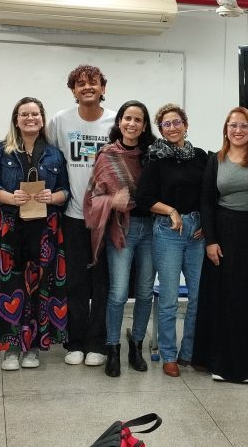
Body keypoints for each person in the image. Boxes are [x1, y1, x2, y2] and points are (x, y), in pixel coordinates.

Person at [0, 97, 70, 371]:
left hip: (44, 231)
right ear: (16, 120)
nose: (30, 118)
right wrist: (7, 196)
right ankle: (11, 348)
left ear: (42, 119)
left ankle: (33, 348)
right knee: (10, 288)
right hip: (7, 229)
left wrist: (52, 197)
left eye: (35, 114)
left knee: (40, 286)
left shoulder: (54, 154)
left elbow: (66, 191)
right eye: (24, 114)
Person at [192, 107, 248, 384]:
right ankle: (218, 363)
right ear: (226, 129)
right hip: (222, 235)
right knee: (222, 299)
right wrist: (211, 240)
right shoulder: (215, 160)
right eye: (233, 125)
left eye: (244, 126)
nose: (238, 130)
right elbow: (206, 202)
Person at [47, 65, 116, 367]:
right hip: (72, 214)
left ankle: (97, 343)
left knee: (102, 282)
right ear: (73, 90)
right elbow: (48, 159)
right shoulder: (60, 121)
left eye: (93, 83)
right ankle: (74, 341)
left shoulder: (116, 120)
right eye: (80, 83)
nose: (87, 87)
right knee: (74, 281)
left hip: (106, 217)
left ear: (103, 88)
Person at [83, 100, 156, 378]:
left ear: (144, 126)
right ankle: (112, 348)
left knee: (145, 292)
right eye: (127, 118)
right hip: (122, 230)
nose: (132, 124)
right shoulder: (106, 155)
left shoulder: (153, 155)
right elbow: (92, 199)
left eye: (138, 120)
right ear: (120, 122)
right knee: (118, 292)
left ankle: (136, 345)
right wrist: (113, 201)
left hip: (152, 229)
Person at [136, 104, 208, 378]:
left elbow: (209, 194)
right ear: (161, 130)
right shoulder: (155, 160)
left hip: (197, 233)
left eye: (177, 122)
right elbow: (143, 199)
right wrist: (171, 210)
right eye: (166, 124)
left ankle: (188, 352)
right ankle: (169, 354)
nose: (173, 127)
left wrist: (206, 223)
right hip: (168, 231)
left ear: (185, 125)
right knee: (168, 299)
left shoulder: (200, 156)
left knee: (198, 297)